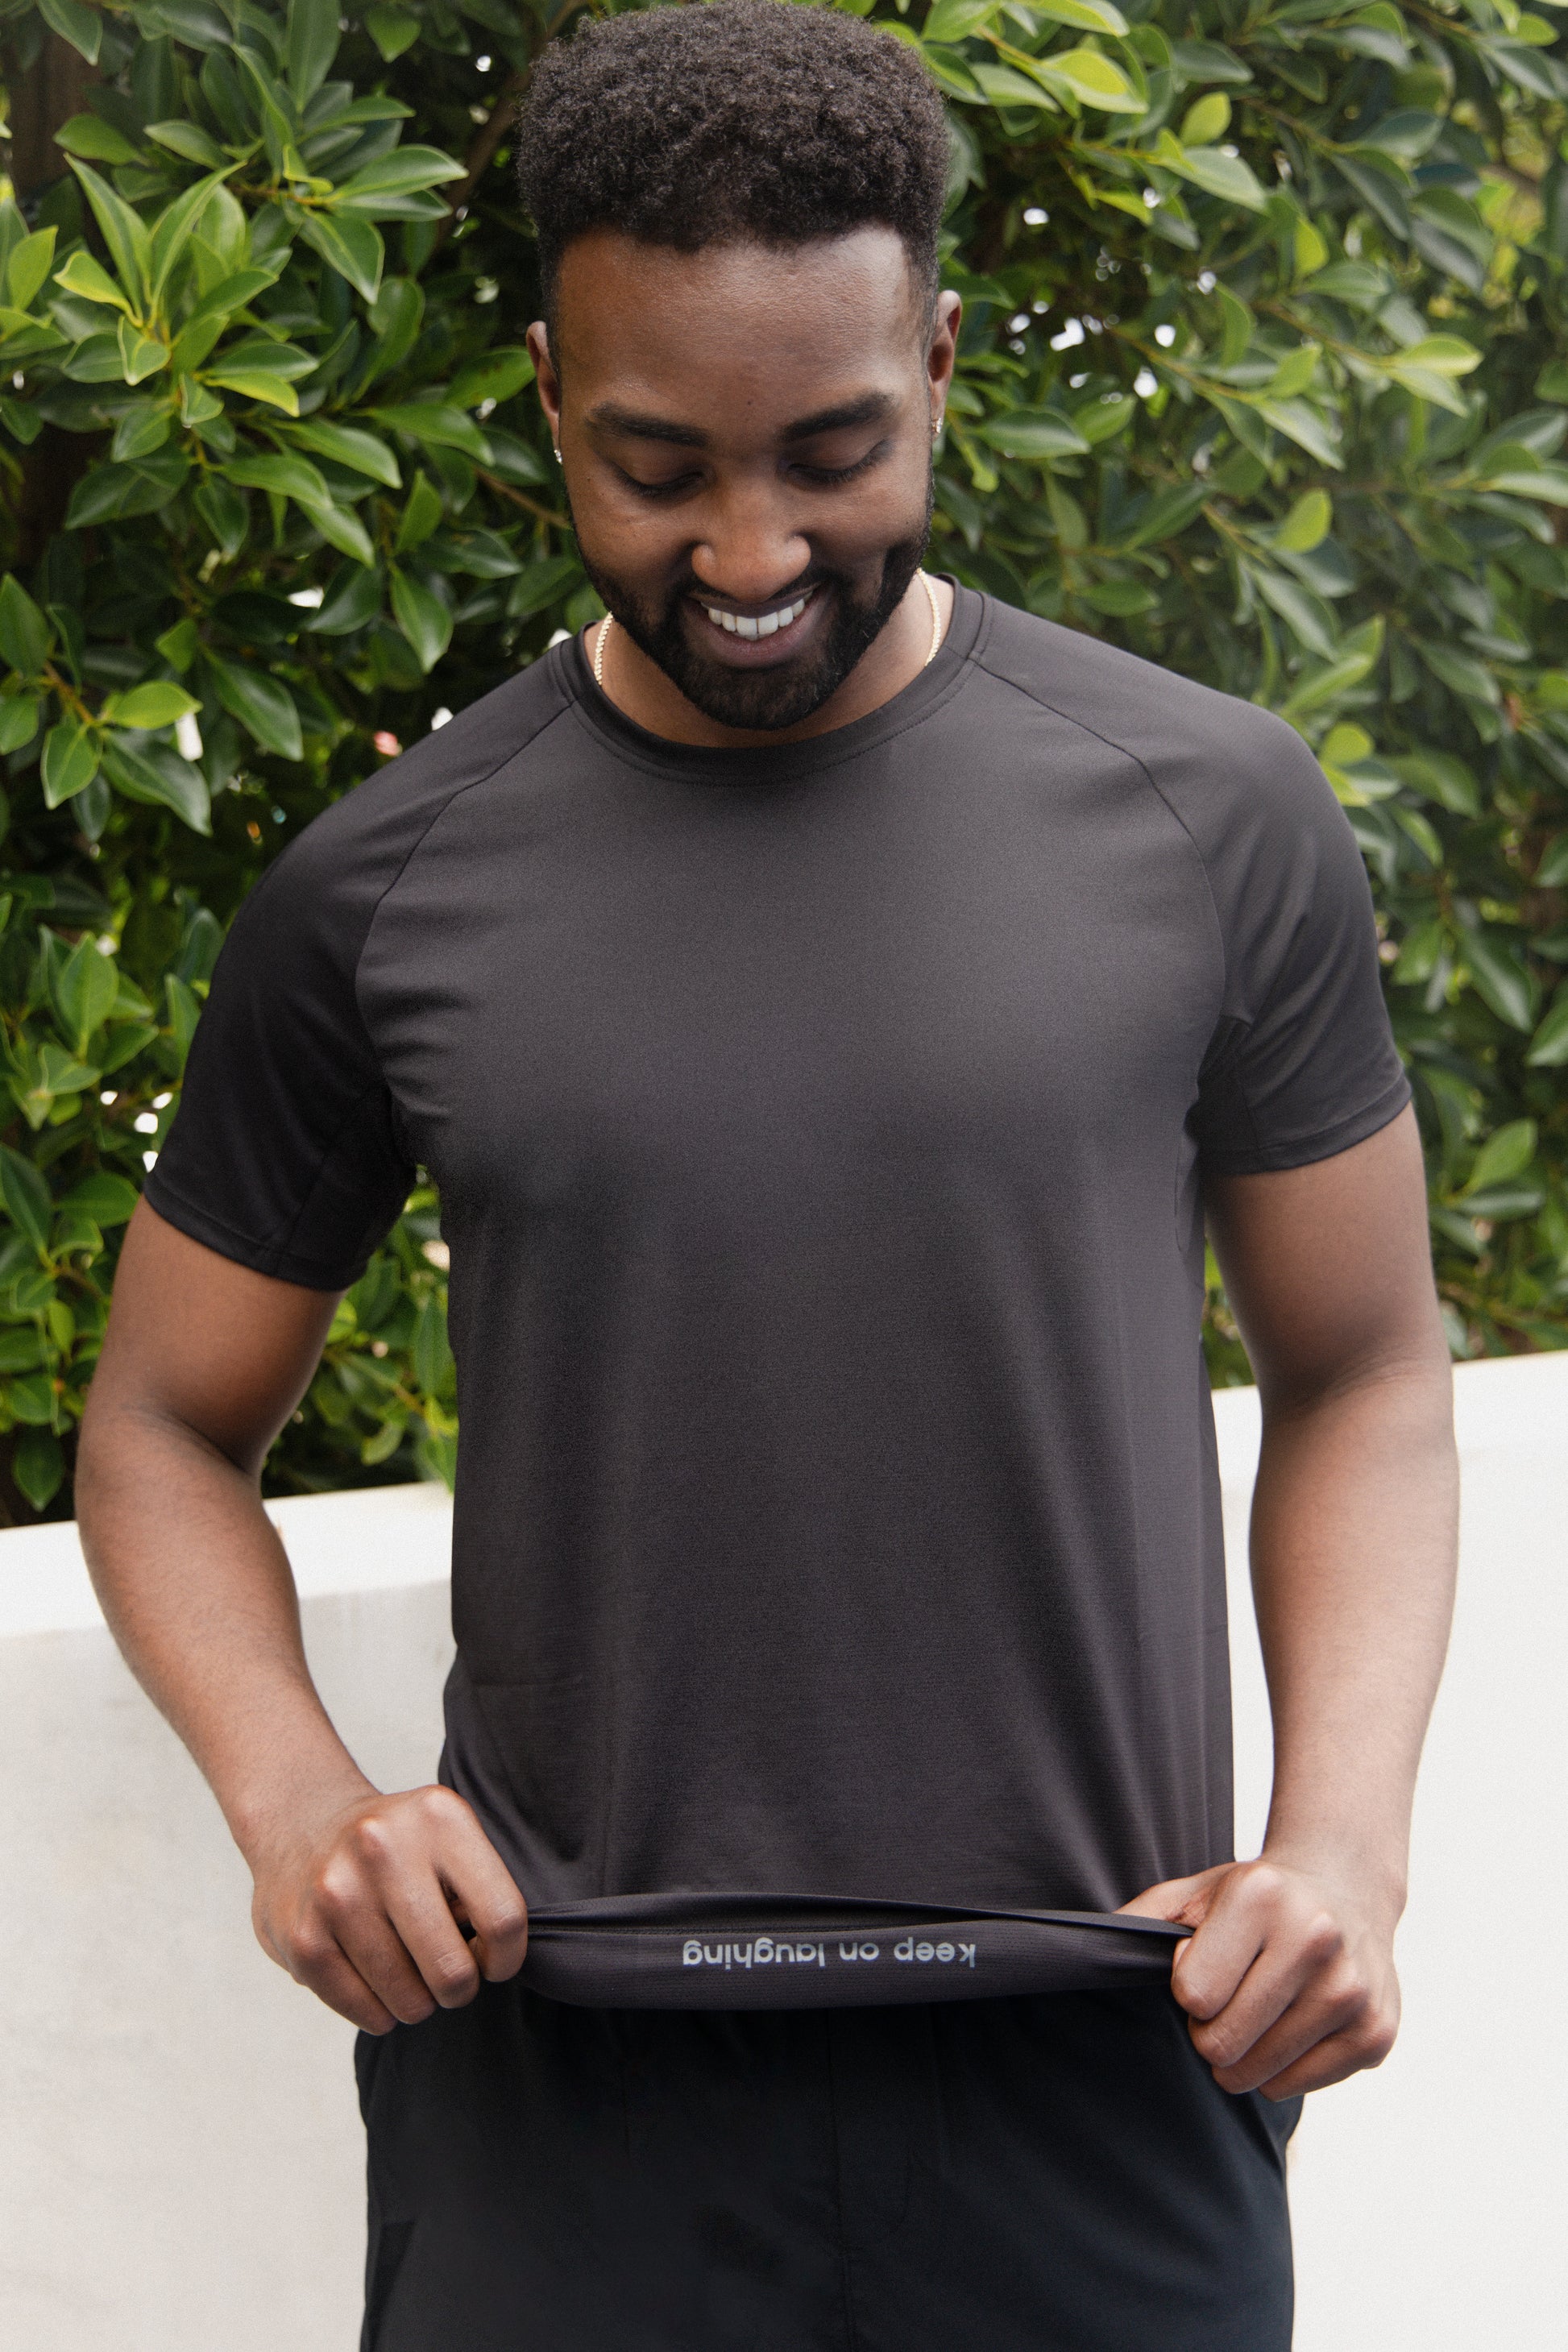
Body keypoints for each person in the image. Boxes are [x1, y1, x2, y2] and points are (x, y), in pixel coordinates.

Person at [77, 5, 1458, 2346]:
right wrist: (299, 1808)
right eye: (653, 467)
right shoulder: (384, 890)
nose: (746, 552)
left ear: (936, 359)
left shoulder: (1206, 815)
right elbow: (162, 1426)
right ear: (544, 397)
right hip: (558, 2079)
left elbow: (1366, 1371)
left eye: (832, 450)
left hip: (1103, 2051)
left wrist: (1339, 1853)